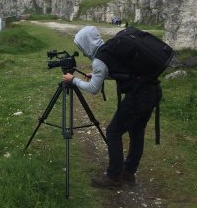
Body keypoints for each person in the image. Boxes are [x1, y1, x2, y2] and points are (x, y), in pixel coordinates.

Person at [62, 26, 158, 189]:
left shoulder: (100, 59)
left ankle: (114, 177)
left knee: (113, 132)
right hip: (152, 91)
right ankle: (128, 173)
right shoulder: (111, 48)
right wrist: (99, 75)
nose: (83, 51)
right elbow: (123, 71)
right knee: (136, 133)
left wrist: (74, 80)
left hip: (138, 96)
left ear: (87, 43)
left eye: (81, 46)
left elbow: (93, 89)